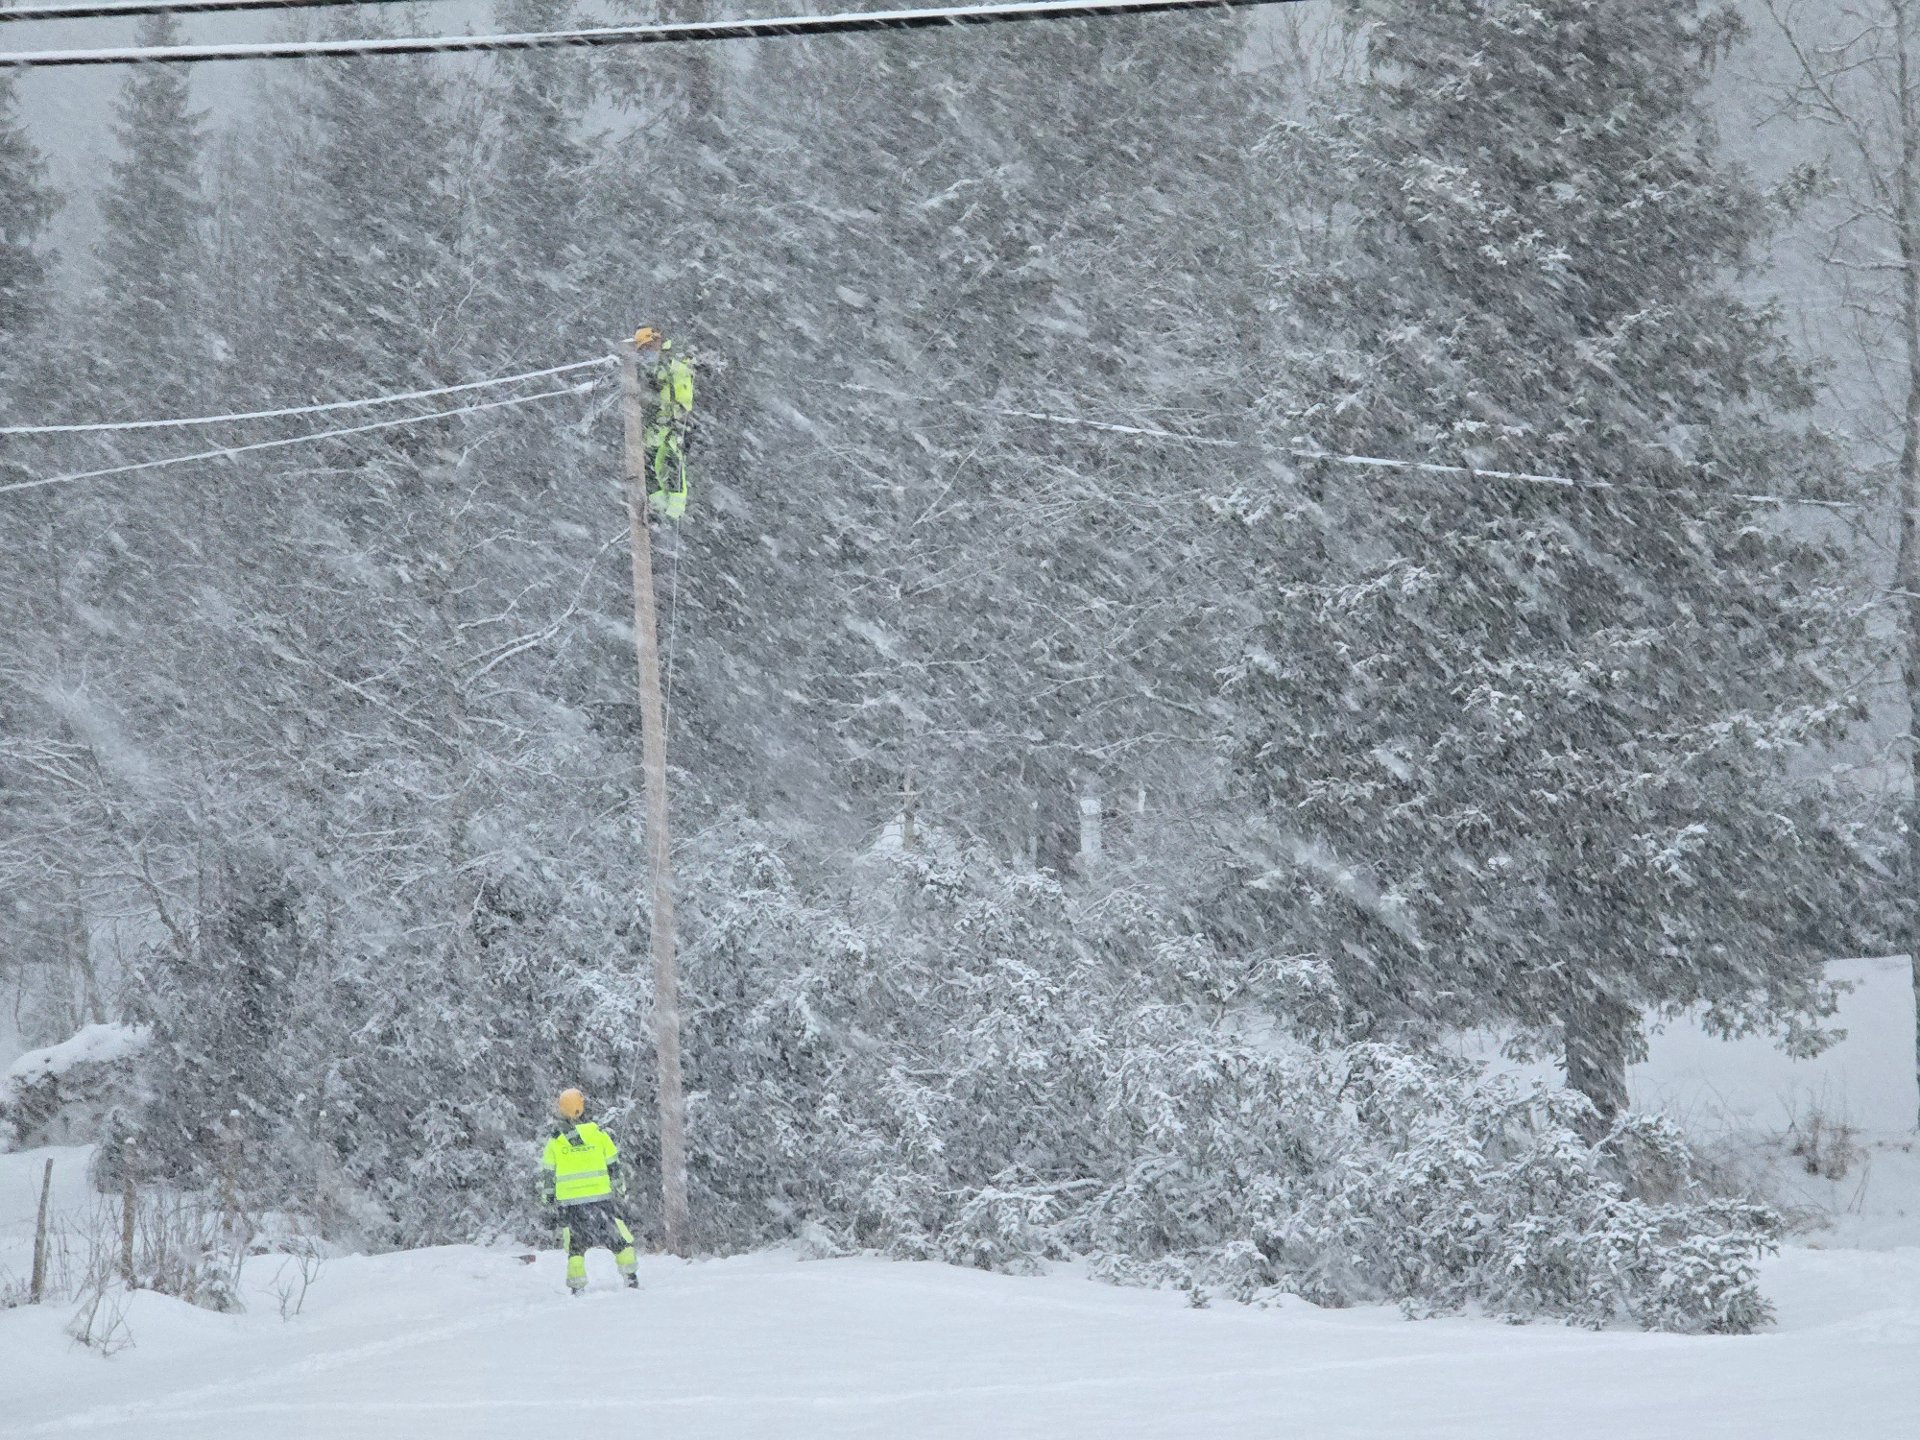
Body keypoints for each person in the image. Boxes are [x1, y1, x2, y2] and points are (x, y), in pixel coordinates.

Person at [539, 1087, 640, 1294]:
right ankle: (631, 1277)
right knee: (618, 1239)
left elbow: (548, 1174)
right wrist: (620, 1189)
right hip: (601, 1201)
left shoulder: (555, 1141)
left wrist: (548, 1199)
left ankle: (577, 1287)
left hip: (572, 1206)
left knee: (575, 1247)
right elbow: (614, 1166)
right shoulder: (598, 1135)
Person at [635, 327, 694, 520]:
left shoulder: (672, 363)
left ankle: (673, 510)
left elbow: (680, 394)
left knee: (671, 462)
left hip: (670, 422)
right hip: (657, 424)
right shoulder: (653, 366)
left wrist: (677, 416)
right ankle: (658, 509)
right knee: (651, 463)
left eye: (650, 347)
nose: (648, 352)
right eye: (644, 349)